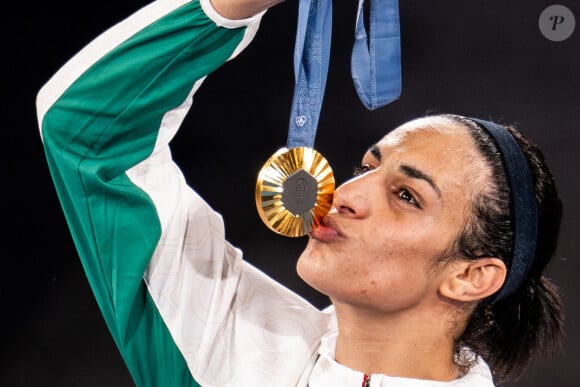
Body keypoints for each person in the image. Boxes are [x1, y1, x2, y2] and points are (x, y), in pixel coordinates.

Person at [36, 0, 564, 386]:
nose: (346, 194)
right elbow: (86, 132)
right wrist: (230, 5)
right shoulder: (226, 340)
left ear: (472, 276)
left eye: (406, 196)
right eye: (366, 167)